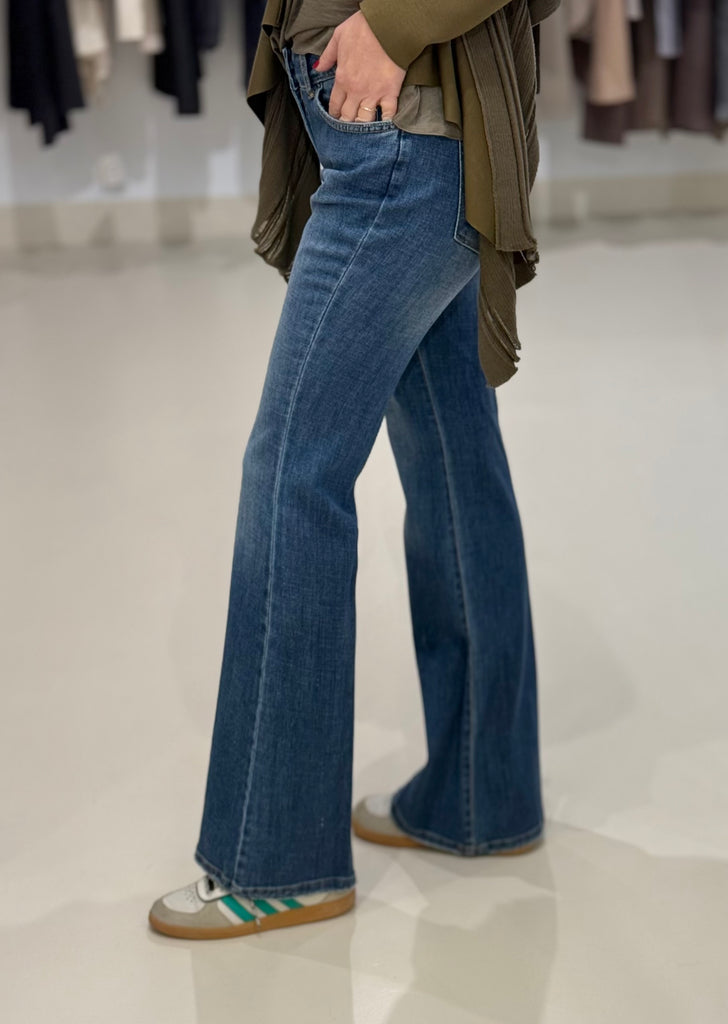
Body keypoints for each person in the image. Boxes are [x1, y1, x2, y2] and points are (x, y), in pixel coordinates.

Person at [148, 0, 559, 940]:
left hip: (405, 144)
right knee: (453, 452)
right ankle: (479, 796)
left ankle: (278, 859)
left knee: (296, 472)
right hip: (412, 135)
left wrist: (394, 24)